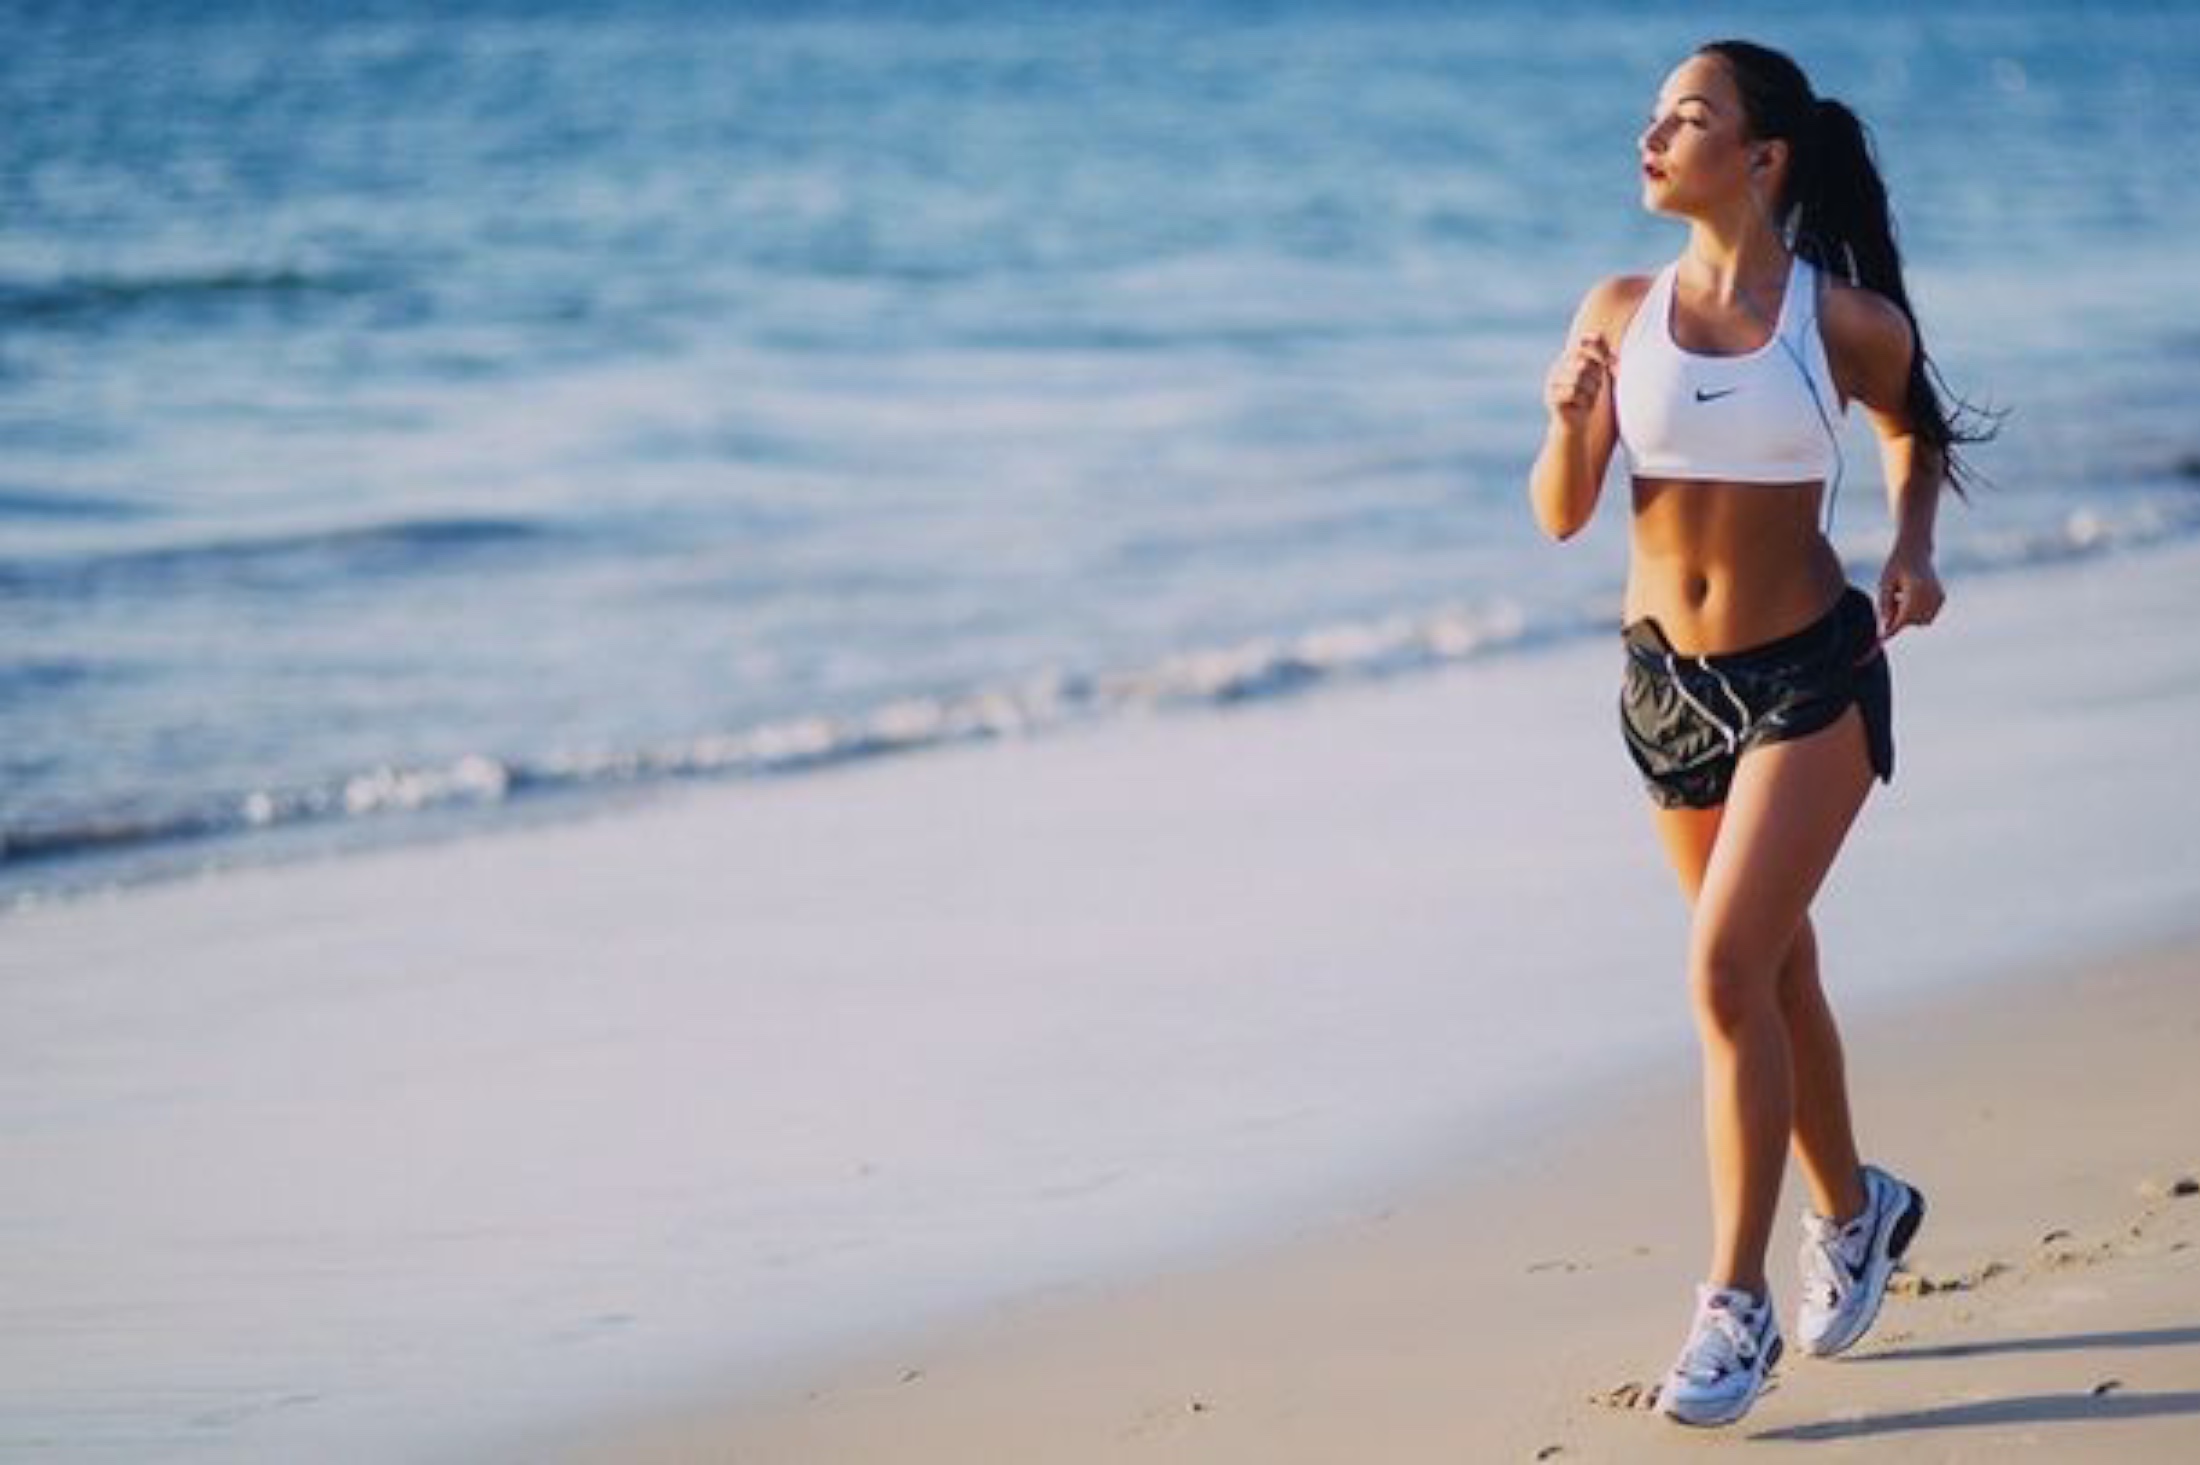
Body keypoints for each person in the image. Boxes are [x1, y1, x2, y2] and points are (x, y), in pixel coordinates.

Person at [1526, 39, 1996, 1428]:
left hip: (1811, 678)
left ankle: (1729, 1307)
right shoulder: (1618, 309)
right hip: (1666, 688)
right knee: (1775, 975)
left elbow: (1915, 430)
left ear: (1764, 157)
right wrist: (1566, 424)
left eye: (1687, 116)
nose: (1652, 135)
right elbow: (1561, 512)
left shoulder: (1842, 322)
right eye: (1655, 115)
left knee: (1725, 965)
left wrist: (1913, 546)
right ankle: (1859, 1209)